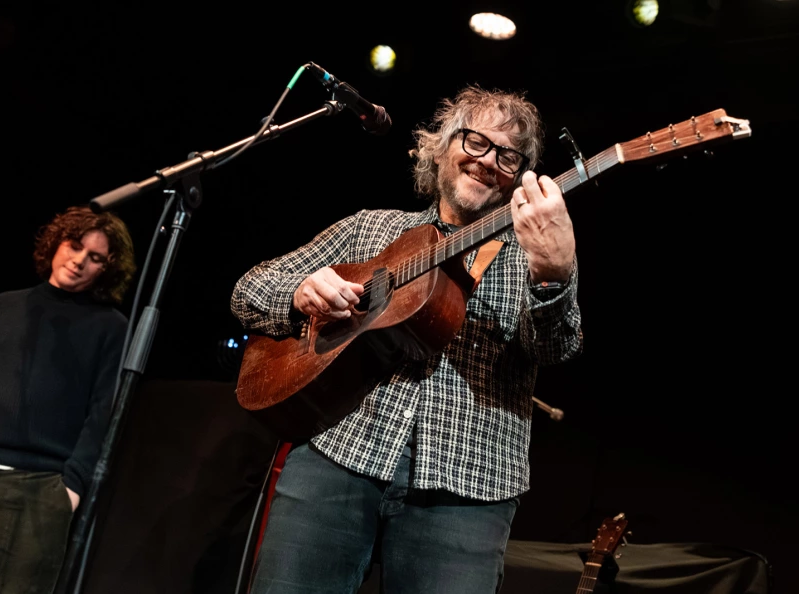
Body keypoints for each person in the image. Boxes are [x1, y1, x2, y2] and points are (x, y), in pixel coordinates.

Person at [230, 84, 583, 593]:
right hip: (338, 455)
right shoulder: (371, 229)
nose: (489, 162)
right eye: (476, 142)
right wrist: (300, 293)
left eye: (510, 157)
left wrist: (553, 272)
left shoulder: (539, 251)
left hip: (469, 485)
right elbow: (248, 290)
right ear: (440, 146)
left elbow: (556, 348)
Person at [0, 205, 136, 594]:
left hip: (36, 487)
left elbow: (104, 415)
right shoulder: (4, 305)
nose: (80, 260)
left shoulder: (111, 328)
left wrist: (71, 489)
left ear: (107, 269)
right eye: (75, 245)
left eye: (96, 257)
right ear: (56, 243)